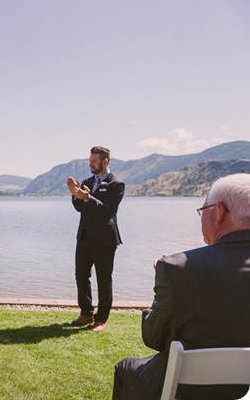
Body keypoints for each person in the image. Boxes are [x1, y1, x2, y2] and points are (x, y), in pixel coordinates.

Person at [112, 173, 250, 399]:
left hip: (186, 390)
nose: (200, 218)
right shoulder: (180, 267)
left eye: (202, 210)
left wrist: (164, 288)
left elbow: (154, 337)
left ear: (219, 212)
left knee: (126, 368)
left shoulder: (178, 268)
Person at [66, 145, 124, 332]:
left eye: (94, 161)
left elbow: (107, 210)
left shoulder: (117, 184)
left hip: (105, 240)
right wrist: (76, 195)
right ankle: (86, 313)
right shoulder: (87, 181)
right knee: (81, 276)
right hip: (84, 237)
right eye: (90, 161)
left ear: (105, 161)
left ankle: (100, 320)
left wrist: (87, 197)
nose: (90, 164)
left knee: (103, 279)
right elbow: (80, 208)